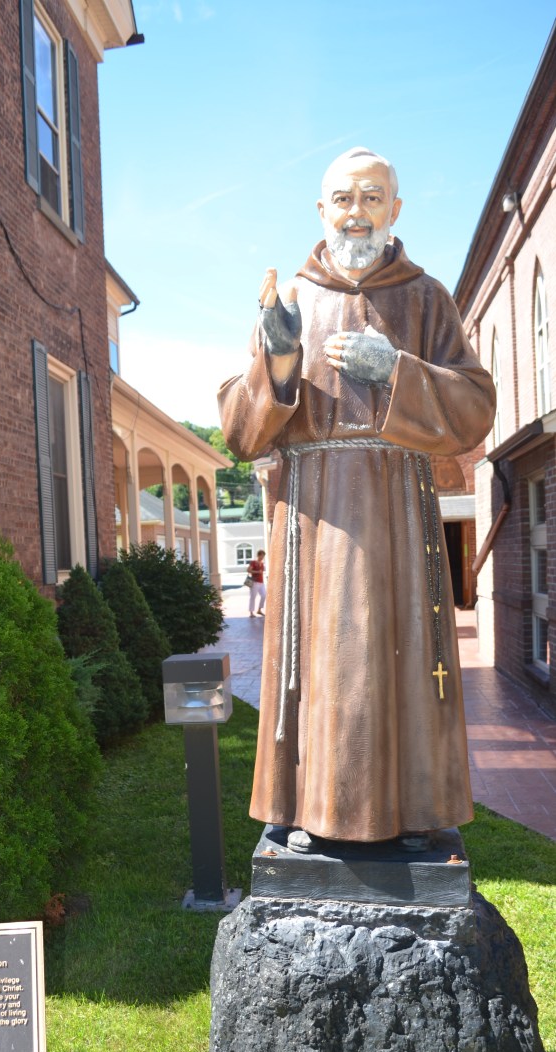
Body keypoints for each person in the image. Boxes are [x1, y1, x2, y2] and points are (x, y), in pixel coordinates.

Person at [218, 148, 495, 848]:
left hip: (400, 509)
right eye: (342, 199)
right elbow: (240, 433)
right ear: (321, 210)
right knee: (320, 661)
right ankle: (307, 809)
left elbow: (474, 408)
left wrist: (397, 371)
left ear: (394, 209)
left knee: (403, 656)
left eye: (372, 198)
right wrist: (279, 365)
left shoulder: (425, 297)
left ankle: (415, 812)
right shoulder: (291, 300)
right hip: (311, 517)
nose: (356, 213)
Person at [247, 549, 266, 617]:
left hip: (261, 582)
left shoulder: (262, 563)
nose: (262, 557)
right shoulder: (253, 562)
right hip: (254, 582)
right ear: (258, 555)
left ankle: (259, 610)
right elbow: (248, 570)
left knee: (264, 595)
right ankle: (251, 612)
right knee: (253, 597)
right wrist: (257, 572)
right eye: (262, 556)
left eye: (263, 556)